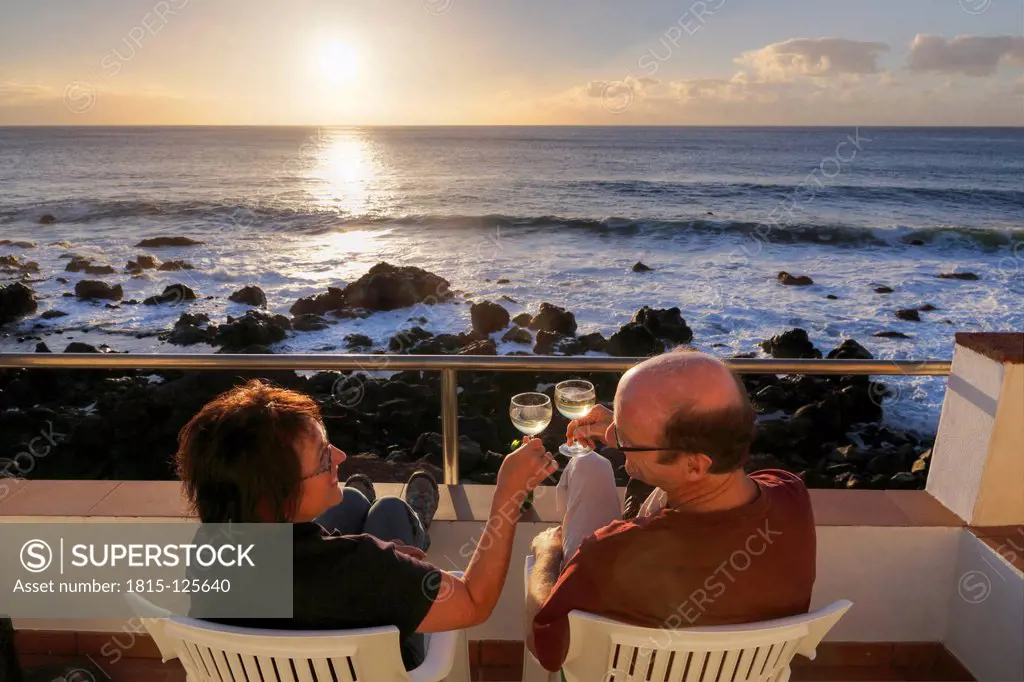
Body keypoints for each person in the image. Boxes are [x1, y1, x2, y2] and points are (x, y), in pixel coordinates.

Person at [176, 379, 557, 671]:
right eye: (324, 459)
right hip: (375, 667)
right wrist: (508, 495)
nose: (340, 456)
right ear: (278, 496)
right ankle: (409, 515)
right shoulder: (366, 569)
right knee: (390, 513)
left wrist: (382, 564)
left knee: (357, 502)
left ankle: (385, 510)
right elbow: (474, 602)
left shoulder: (209, 547)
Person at [526, 351, 817, 673]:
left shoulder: (607, 554)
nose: (618, 442)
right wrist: (626, 427)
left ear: (694, 464)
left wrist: (547, 556)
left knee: (588, 466)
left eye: (626, 439)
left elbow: (545, 649)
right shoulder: (791, 495)